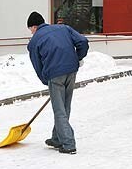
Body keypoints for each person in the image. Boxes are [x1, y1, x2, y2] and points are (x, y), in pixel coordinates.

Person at [26, 11, 89, 154]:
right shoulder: (63, 28)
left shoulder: (34, 41)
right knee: (65, 106)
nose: (31, 33)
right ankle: (57, 138)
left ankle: (68, 144)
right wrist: (78, 58)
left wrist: (46, 81)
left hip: (55, 75)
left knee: (59, 110)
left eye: (30, 30)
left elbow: (38, 65)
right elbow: (83, 41)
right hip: (72, 71)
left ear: (34, 27)